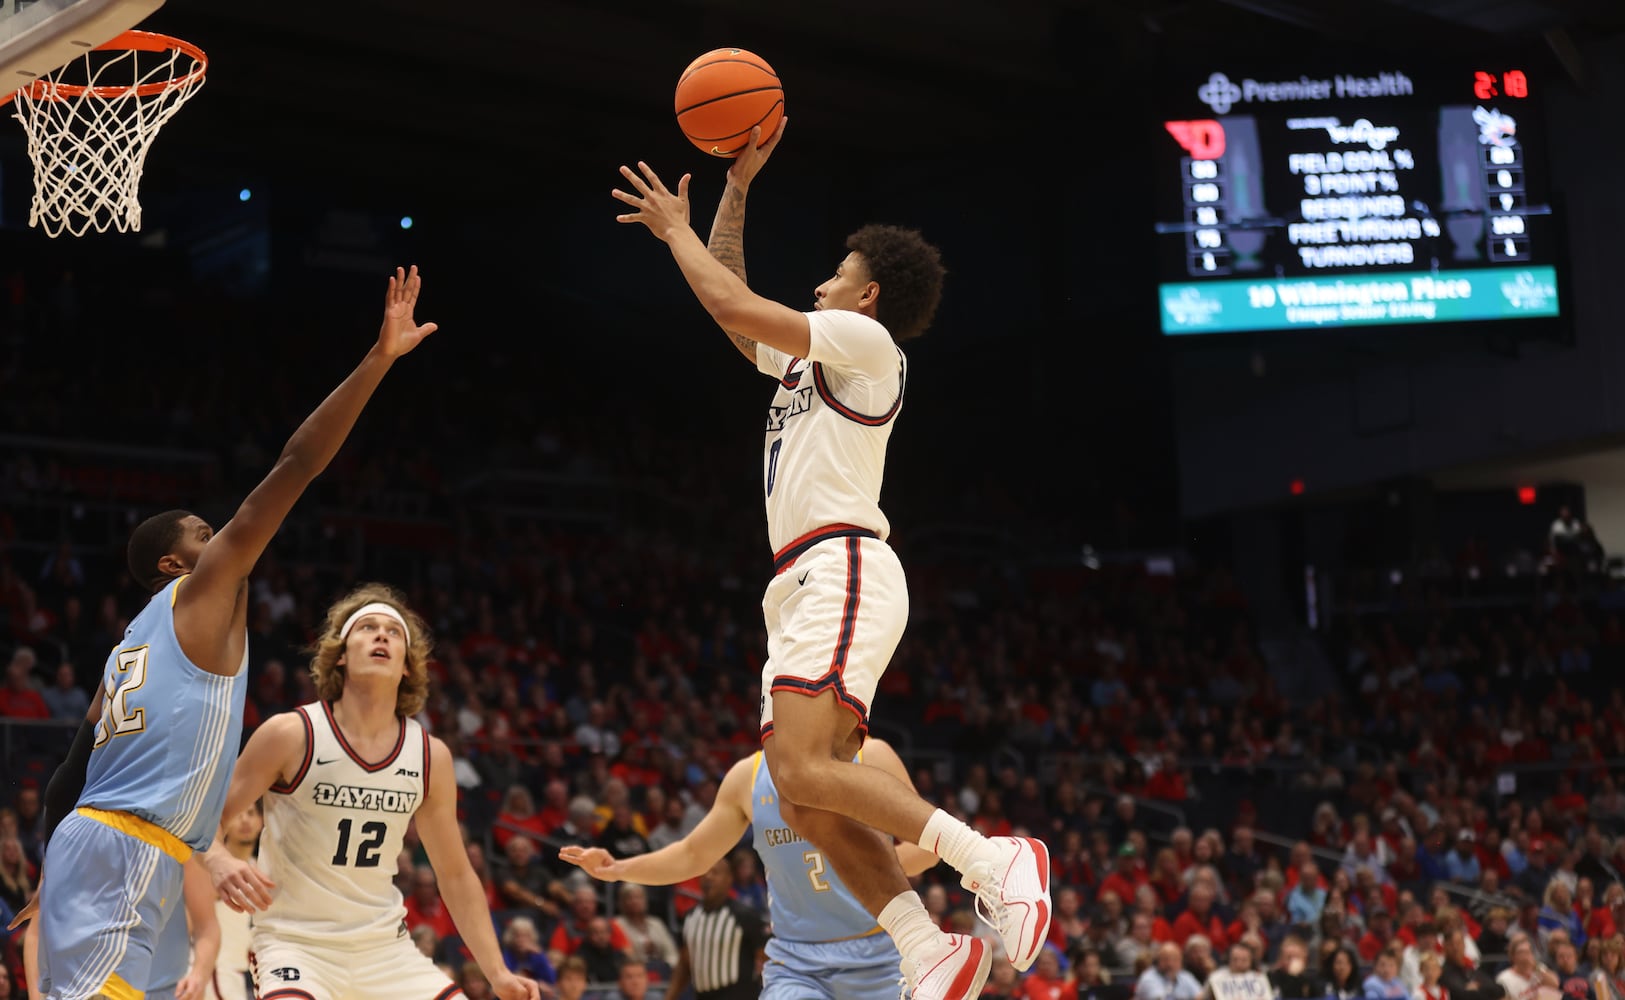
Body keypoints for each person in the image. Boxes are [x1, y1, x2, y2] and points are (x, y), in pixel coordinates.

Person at [610, 117, 1049, 1000]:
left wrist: (674, 233)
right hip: (805, 579)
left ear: (868, 296)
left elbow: (732, 303)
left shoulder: (867, 345)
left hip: (840, 565)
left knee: (803, 776)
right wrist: (733, 193)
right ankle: (926, 948)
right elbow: (735, 312)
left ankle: (992, 859)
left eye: (835, 274)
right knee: (806, 801)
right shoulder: (814, 364)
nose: (818, 281)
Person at [18, 265, 439, 1000]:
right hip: (129, 847)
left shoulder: (128, 647)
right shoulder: (201, 590)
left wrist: (53, 861)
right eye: (207, 534)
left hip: (132, 851)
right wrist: (378, 360)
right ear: (177, 561)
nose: (226, 544)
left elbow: (70, 766)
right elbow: (297, 464)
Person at [201, 583, 540, 1000]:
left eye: (393, 632)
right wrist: (217, 858)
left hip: (386, 951)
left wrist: (497, 972)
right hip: (296, 945)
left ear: (408, 667)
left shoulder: (429, 756)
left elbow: (454, 874)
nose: (381, 635)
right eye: (367, 627)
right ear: (340, 654)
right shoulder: (291, 734)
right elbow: (202, 818)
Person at [560, 738, 939, 1000]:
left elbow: (929, 847)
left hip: (879, 953)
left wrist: (863, 870)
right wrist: (616, 868)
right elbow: (693, 854)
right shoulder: (748, 776)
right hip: (797, 959)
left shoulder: (870, 755)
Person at [204, 802, 262, 1000]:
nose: (245, 820)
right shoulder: (211, 867)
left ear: (262, 821)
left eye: (251, 813)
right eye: (238, 814)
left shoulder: (263, 871)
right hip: (214, 970)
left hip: (243, 971)